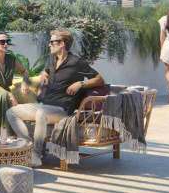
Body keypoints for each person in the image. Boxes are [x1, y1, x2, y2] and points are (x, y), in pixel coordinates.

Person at [6, 29, 105, 167]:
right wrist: (43, 74)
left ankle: (36, 155)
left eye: (52, 42)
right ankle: (29, 146)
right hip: (43, 105)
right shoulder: (53, 61)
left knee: (41, 113)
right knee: (11, 112)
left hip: (62, 110)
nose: (49, 45)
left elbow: (99, 79)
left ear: (62, 44)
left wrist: (80, 83)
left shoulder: (76, 62)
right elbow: (45, 72)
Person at [0, 32, 29, 138]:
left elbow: (25, 71)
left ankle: (4, 134)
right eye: (2, 42)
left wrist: (25, 82)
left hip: (4, 95)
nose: (6, 44)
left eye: (8, 41)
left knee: (3, 96)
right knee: (3, 95)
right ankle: (2, 133)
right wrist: (10, 95)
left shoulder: (11, 59)